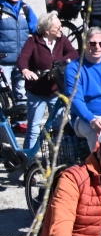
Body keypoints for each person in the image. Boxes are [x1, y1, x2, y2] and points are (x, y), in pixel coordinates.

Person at [16, 12, 76, 153]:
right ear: (47, 31)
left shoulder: (61, 39)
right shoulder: (33, 41)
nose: (61, 29)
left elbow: (73, 53)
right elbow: (23, 57)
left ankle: (56, 156)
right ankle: (28, 158)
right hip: (37, 92)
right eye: (57, 28)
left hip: (55, 90)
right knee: (34, 128)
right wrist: (25, 70)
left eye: (60, 26)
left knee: (58, 126)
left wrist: (60, 62)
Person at [0, 0, 36, 98]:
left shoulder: (25, 8)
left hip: (21, 60)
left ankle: (19, 117)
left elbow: (35, 28)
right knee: (2, 93)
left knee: (21, 93)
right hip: (3, 60)